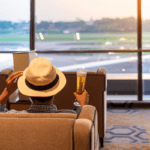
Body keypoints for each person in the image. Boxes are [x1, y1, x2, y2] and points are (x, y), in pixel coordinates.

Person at [0, 57, 89, 114]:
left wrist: (7, 92)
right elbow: (86, 123)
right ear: (55, 90)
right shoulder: (72, 116)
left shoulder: (13, 117)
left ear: (28, 91)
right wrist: (83, 105)